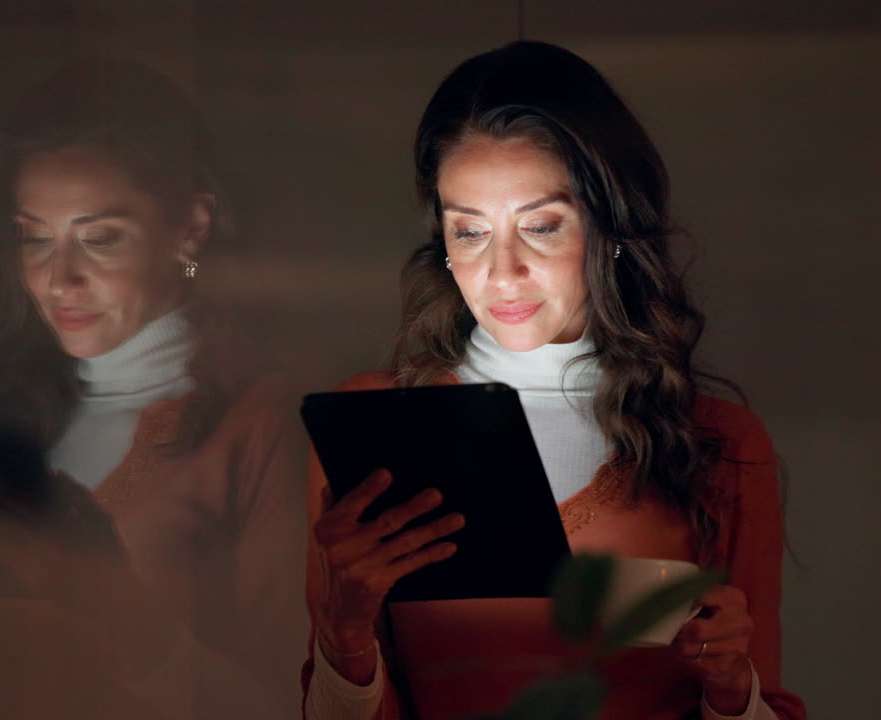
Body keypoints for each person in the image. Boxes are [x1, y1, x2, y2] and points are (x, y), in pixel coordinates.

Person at [301, 42, 807, 720]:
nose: (503, 272)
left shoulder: (718, 441)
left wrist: (729, 686)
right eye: (470, 232)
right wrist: (343, 634)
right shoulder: (376, 425)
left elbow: (761, 699)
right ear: (441, 243)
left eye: (540, 226)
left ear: (610, 227)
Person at [0, 57, 308, 719]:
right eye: (33, 239)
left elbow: (293, 702)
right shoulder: (21, 419)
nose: (59, 279)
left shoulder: (260, 424)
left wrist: (125, 614)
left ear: (189, 228)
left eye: (99, 239)